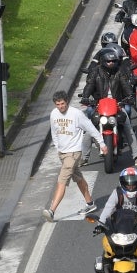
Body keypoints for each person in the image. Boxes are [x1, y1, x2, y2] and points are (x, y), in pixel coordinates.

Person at [43, 91, 107, 223]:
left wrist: (102, 143)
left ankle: (52, 211)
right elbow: (54, 131)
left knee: (62, 180)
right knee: (77, 177)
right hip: (63, 153)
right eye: (58, 104)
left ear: (67, 102)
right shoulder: (53, 114)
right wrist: (57, 147)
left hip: (74, 153)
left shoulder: (76, 114)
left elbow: (90, 128)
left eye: (62, 104)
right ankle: (90, 204)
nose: (61, 107)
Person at [80, 49, 137, 168]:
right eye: (108, 61)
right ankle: (84, 158)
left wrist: (130, 96)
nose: (111, 63)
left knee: (128, 129)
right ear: (103, 61)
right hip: (99, 105)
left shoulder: (119, 72)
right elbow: (89, 85)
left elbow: (126, 85)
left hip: (117, 105)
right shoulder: (96, 72)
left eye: (113, 61)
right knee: (90, 130)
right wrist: (85, 97)